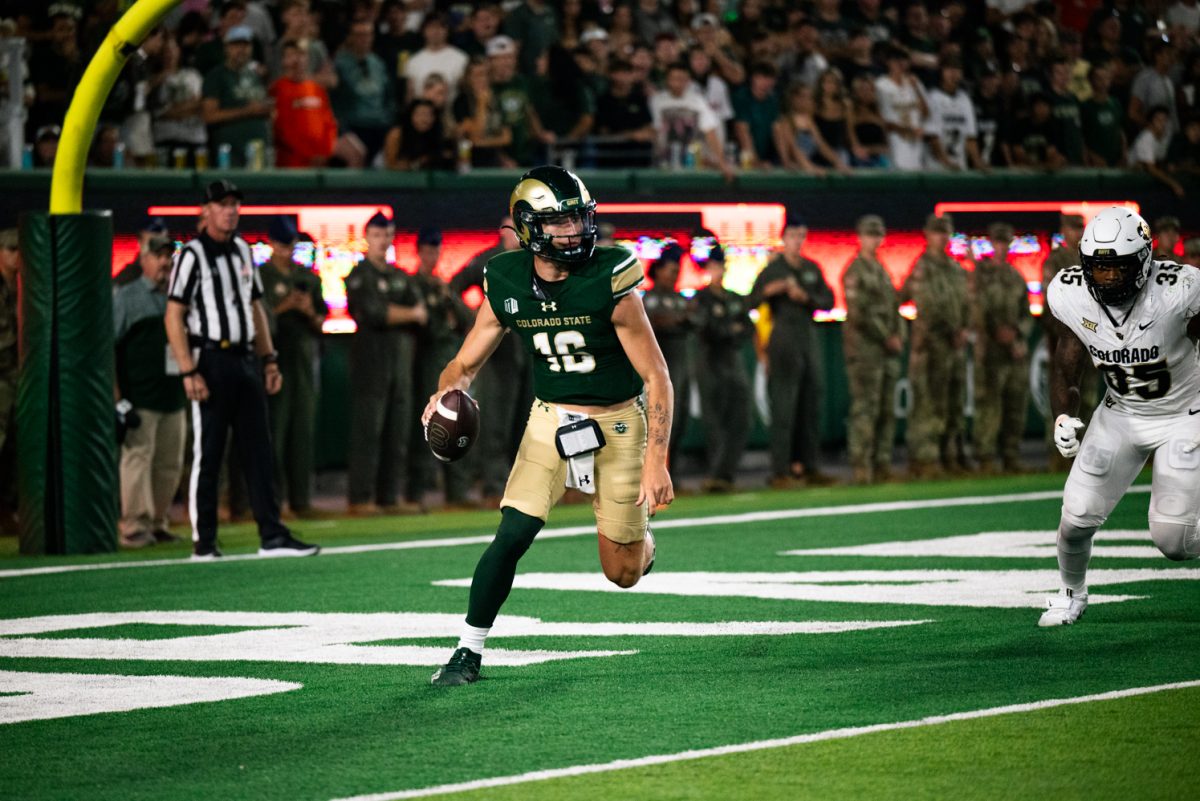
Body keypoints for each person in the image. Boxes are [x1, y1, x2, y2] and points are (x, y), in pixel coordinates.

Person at [424, 166, 672, 685]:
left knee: (622, 573)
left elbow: (657, 376)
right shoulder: (507, 277)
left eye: (579, 219)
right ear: (529, 227)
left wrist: (656, 460)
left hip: (619, 421)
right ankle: (467, 651)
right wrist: (448, 390)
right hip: (551, 418)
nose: (574, 232)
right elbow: (465, 362)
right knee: (513, 531)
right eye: (559, 222)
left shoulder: (610, 276)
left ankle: (643, 541)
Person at [1038, 207, 1200, 627]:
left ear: (1145, 260)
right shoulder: (1070, 293)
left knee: (1174, 540)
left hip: (1185, 413)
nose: (1107, 278)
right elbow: (1065, 365)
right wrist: (1062, 416)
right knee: (1074, 517)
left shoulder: (1179, 289)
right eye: (1099, 268)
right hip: (1121, 413)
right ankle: (1071, 594)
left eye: (1117, 269)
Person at [163, 180, 319, 559]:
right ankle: (204, 543)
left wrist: (269, 360)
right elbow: (174, 315)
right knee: (210, 452)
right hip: (210, 359)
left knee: (259, 450)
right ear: (205, 210)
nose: (230, 210)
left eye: (234, 204)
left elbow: (255, 310)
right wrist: (188, 370)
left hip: (246, 358)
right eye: (222, 204)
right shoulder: (191, 255)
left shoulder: (242, 252)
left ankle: (272, 535)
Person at [344, 211, 427, 516]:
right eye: (377, 235)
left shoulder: (399, 276)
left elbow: (422, 313)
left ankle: (389, 497)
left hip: (400, 364)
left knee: (398, 431)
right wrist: (404, 314)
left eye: (388, 235)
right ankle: (360, 497)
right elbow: (373, 313)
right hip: (371, 363)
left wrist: (399, 313)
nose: (383, 241)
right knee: (369, 431)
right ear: (368, 238)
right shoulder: (359, 274)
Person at [749, 214, 836, 488]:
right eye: (792, 236)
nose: (797, 241)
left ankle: (809, 466)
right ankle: (780, 470)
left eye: (801, 236)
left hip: (808, 335)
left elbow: (828, 300)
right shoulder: (773, 270)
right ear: (784, 238)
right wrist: (769, 291)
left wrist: (807, 298)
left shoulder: (811, 267)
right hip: (783, 336)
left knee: (812, 401)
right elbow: (751, 299)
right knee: (784, 404)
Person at [450, 216, 530, 505]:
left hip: (525, 347)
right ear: (502, 232)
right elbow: (454, 286)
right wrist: (472, 320)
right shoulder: (490, 260)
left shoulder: (529, 260)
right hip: (496, 351)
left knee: (523, 421)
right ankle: (493, 486)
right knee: (495, 421)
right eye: (513, 230)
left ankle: (516, 484)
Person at [113, 233, 187, 549]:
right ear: (143, 259)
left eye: (168, 255)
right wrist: (118, 399)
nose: (165, 261)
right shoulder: (126, 297)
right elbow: (108, 349)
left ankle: (158, 522)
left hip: (173, 395)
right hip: (139, 395)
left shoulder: (180, 296)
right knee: (137, 461)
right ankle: (133, 526)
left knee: (169, 463)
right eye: (157, 255)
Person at [259, 216, 327, 518]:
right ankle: (275, 501)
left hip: (303, 360)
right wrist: (284, 307)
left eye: (291, 244)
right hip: (274, 361)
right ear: (271, 244)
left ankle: (302, 500)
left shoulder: (308, 277)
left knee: (303, 434)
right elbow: (255, 320)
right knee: (276, 433)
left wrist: (308, 310)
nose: (287, 250)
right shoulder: (261, 277)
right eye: (282, 244)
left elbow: (322, 321)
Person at [406, 227, 473, 509]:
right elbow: (421, 327)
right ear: (419, 252)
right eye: (428, 250)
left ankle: (456, 493)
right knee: (428, 424)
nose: (432, 256)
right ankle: (416, 494)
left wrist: (449, 297)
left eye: (436, 250)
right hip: (424, 361)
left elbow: (466, 320)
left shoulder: (442, 285)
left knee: (457, 423)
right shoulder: (413, 285)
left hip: (448, 359)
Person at [901, 213, 969, 479]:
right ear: (927, 235)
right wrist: (952, 329)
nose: (942, 237)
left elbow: (965, 304)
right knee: (928, 404)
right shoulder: (922, 267)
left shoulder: (955, 269)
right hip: (931, 345)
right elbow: (927, 305)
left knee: (954, 402)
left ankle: (950, 456)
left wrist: (963, 328)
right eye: (937, 232)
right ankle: (925, 460)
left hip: (954, 347)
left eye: (946, 232)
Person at [842, 215, 902, 485]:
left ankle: (882, 463)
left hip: (885, 351)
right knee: (865, 409)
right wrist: (886, 336)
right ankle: (861, 466)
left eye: (878, 234)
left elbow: (894, 308)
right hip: (865, 350)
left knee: (886, 410)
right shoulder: (855, 270)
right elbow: (859, 313)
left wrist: (898, 334)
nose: (874, 239)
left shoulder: (881, 269)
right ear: (860, 237)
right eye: (870, 234)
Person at [971, 222, 1032, 474]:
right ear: (990, 243)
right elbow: (976, 310)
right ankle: (985, 458)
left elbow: (1026, 314)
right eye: (997, 242)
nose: (1001, 247)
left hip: (1013, 352)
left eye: (1005, 242)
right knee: (989, 405)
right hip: (990, 350)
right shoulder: (980, 274)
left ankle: (1011, 455)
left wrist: (1018, 334)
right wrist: (998, 333)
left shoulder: (1015, 277)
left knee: (1015, 403)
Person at [690, 244, 752, 492]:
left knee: (741, 417)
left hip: (733, 360)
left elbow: (747, 327)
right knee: (714, 419)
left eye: (721, 266)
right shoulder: (701, 298)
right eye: (713, 266)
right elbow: (708, 330)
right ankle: (715, 475)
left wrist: (727, 330)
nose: (718, 271)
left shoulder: (734, 297)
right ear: (708, 269)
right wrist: (729, 329)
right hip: (710, 360)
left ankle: (727, 473)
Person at [642, 243, 692, 470]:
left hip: (680, 365)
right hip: (659, 368)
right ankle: (652, 471)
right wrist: (678, 320)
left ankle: (672, 473)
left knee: (679, 419)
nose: (675, 275)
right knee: (657, 420)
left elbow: (696, 319)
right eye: (672, 270)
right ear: (659, 270)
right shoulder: (650, 297)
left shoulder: (680, 298)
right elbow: (654, 322)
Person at [201, 25, 272, 168]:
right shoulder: (217, 76)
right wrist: (246, 111)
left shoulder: (255, 75)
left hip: (258, 149)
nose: (241, 50)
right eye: (236, 45)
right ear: (226, 48)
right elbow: (209, 116)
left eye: (245, 45)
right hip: (230, 153)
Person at [0, 229, 18, 537]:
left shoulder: (22, 286)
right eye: (11, 249)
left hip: (16, 379)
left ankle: (6, 510)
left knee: (14, 451)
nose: (18, 255)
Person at [112, 216, 171, 287]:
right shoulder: (126, 280)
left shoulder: (175, 273)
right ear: (140, 243)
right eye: (153, 241)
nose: (158, 246)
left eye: (162, 241)